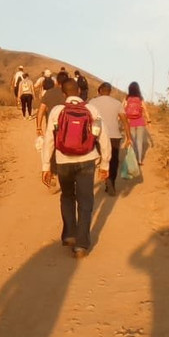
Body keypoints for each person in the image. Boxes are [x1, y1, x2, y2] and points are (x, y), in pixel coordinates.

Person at [41, 78, 111, 258]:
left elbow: (49, 139)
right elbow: (103, 138)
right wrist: (105, 164)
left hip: (63, 161)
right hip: (87, 159)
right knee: (86, 201)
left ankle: (70, 234)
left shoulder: (57, 111)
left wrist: (46, 166)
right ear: (79, 91)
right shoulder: (91, 110)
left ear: (63, 93)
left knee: (67, 197)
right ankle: (81, 245)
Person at [89, 82, 125, 195]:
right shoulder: (117, 103)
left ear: (99, 91)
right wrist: (128, 136)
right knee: (113, 160)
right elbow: (125, 120)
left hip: (97, 135)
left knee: (96, 159)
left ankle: (90, 183)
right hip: (114, 135)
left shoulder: (92, 102)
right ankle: (111, 182)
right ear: (110, 91)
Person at [124, 81, 152, 165]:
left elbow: (123, 108)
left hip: (130, 121)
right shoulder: (140, 98)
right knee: (139, 141)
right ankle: (139, 160)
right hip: (140, 121)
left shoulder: (127, 98)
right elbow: (145, 109)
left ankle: (133, 159)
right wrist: (149, 121)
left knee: (132, 140)